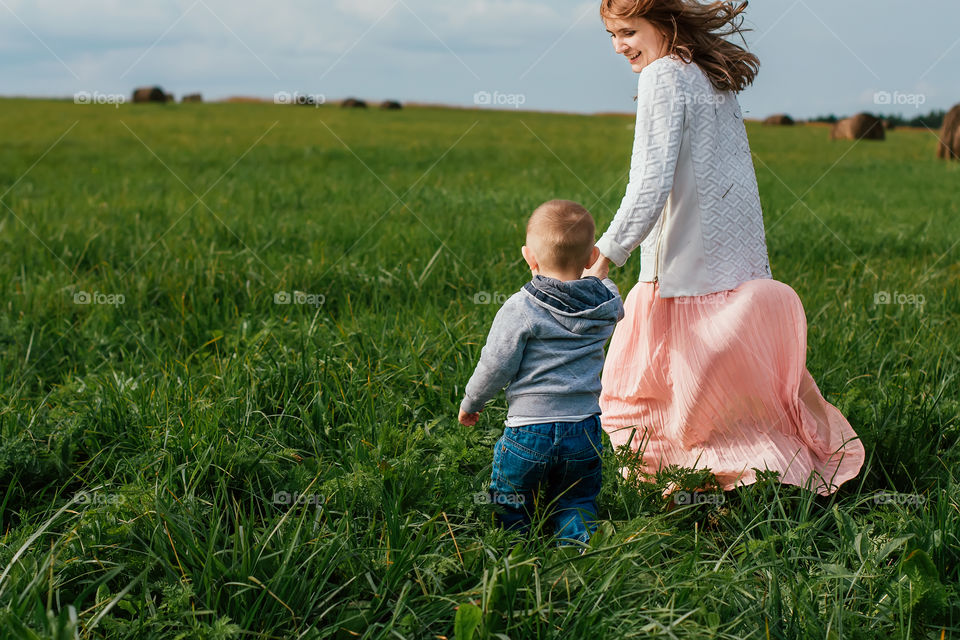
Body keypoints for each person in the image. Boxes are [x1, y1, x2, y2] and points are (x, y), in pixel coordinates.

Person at [583, 0, 865, 497]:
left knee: (647, 399)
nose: (619, 45)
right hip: (734, 267)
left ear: (663, 23)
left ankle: (691, 477)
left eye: (629, 31)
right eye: (612, 35)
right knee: (724, 401)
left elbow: (649, 182)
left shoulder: (661, 78)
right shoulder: (706, 75)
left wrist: (608, 251)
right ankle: (753, 471)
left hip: (682, 268)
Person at [459, 199, 625, 543]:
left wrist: (472, 401)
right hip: (585, 429)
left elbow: (496, 364)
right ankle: (580, 551)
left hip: (528, 432)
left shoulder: (521, 307)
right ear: (592, 257)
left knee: (513, 504)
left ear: (529, 257)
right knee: (576, 501)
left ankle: (514, 553)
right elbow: (607, 288)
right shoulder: (607, 303)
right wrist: (597, 274)